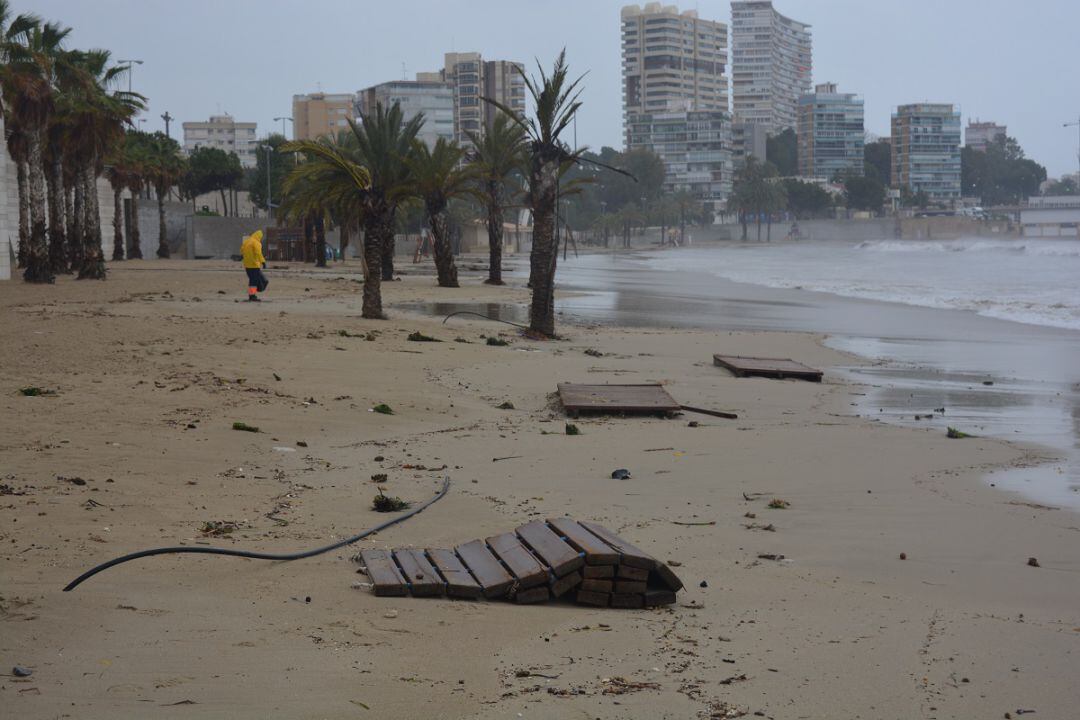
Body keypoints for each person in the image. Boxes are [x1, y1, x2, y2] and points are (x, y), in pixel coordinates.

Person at [241, 230, 268, 301]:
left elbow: (242, 250)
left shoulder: (247, 241)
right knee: (254, 281)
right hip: (254, 265)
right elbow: (258, 253)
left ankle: (252, 294)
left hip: (247, 265)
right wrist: (263, 262)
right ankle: (252, 295)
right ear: (259, 236)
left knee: (252, 280)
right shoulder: (256, 243)